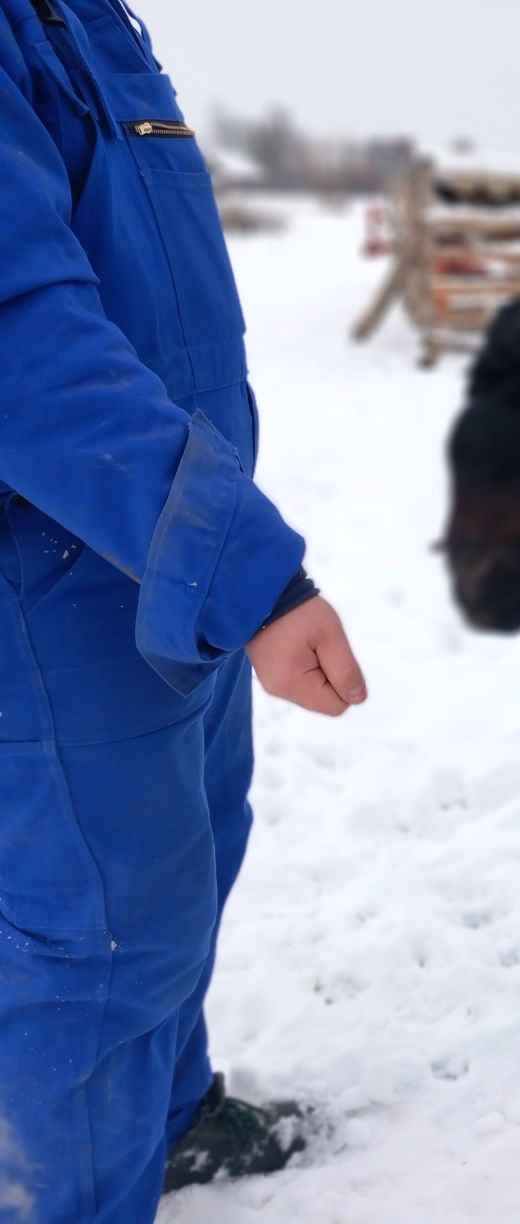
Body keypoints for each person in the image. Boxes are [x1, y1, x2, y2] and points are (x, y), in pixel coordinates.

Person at [0, 0, 366, 1218]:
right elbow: (22, 344)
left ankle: (171, 1120)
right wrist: (248, 575)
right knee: (99, 948)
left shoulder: (87, 16)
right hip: (48, 579)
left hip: (159, 540)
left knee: (187, 859)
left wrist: (219, 548)